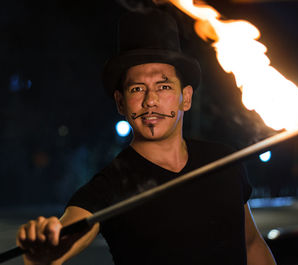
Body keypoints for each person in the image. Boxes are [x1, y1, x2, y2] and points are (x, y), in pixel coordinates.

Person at [16, 8, 277, 265]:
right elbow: (67, 234)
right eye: (137, 88)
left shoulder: (224, 162)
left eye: (163, 87)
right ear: (121, 103)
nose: (150, 101)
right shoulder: (110, 185)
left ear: (185, 97)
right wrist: (47, 247)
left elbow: (252, 244)